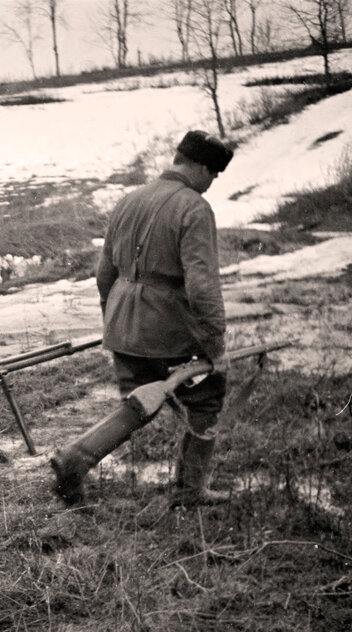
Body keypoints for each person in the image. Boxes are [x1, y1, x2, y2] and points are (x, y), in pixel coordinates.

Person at [87, 130, 235, 508]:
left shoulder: (128, 199)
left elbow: (105, 274)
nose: (211, 183)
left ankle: (74, 459)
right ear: (202, 168)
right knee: (205, 399)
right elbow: (202, 287)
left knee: (136, 404)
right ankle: (189, 492)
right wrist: (216, 346)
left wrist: (114, 323)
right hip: (169, 331)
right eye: (213, 175)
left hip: (123, 326)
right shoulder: (194, 208)